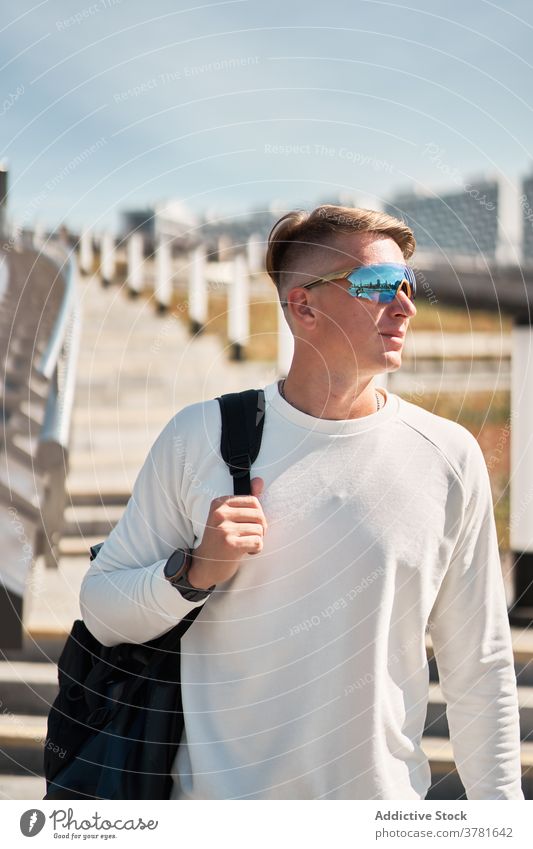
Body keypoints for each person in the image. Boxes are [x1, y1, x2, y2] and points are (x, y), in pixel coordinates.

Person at [80, 204, 523, 800]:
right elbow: (103, 611)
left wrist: (502, 822)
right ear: (303, 306)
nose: (405, 306)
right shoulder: (200, 438)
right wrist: (194, 573)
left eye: (407, 285)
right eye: (376, 286)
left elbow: (481, 667)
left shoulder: (448, 456)